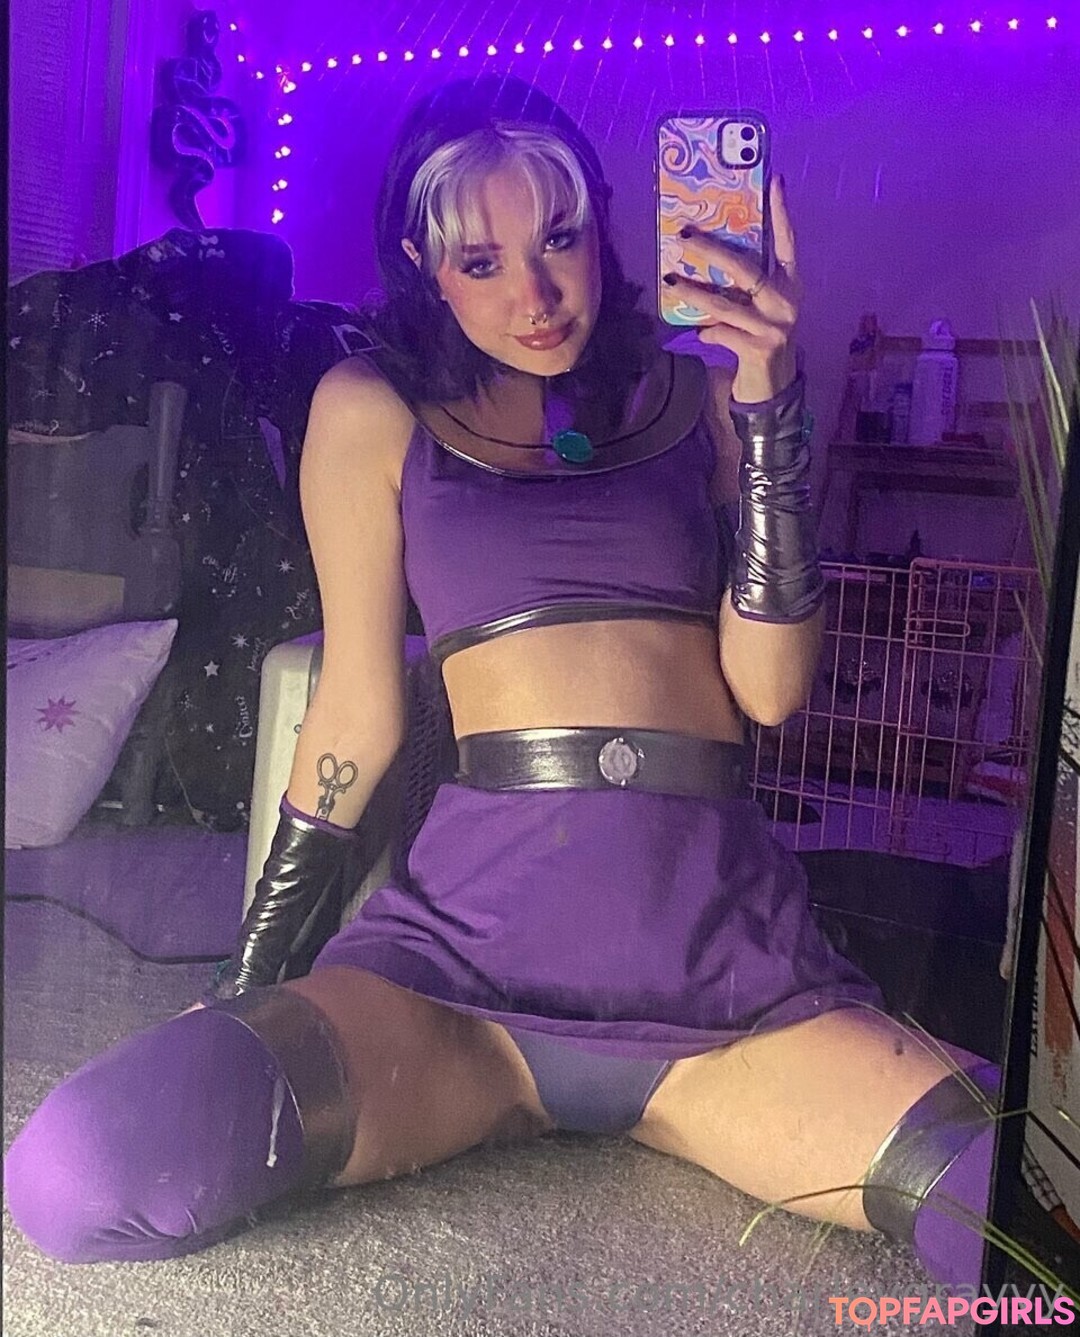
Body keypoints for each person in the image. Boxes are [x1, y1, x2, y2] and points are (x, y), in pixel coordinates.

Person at [5, 75, 999, 1291]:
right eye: (482, 260)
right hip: (456, 986)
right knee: (78, 1168)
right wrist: (251, 980)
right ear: (422, 263)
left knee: (1027, 1207)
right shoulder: (371, 409)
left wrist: (771, 398)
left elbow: (773, 689)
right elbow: (358, 709)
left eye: (560, 240)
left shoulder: (706, 396)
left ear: (603, 232)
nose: (535, 294)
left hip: (734, 988)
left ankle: (678, 1110)